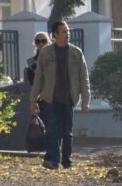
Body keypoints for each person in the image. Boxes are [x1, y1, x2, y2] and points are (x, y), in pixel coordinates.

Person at [30, 21, 90, 170]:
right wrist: (33, 100)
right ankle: (53, 160)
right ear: (55, 35)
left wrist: (85, 100)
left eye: (68, 31)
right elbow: (39, 78)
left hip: (69, 98)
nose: (67, 34)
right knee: (52, 129)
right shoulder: (46, 53)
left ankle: (67, 161)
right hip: (50, 98)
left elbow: (84, 77)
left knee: (67, 132)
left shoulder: (76, 53)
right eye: (63, 32)